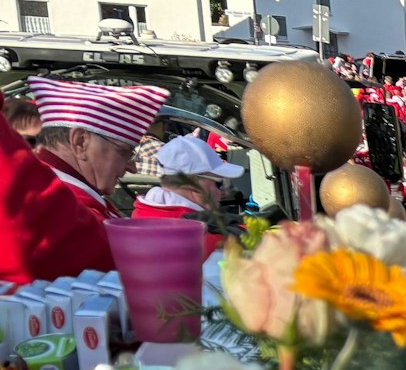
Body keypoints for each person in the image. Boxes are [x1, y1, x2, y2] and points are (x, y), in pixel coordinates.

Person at [0, 79, 169, 283]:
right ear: (80, 142)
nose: (132, 167)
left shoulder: (71, 195)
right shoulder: (65, 202)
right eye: (124, 152)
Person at [131, 134, 244, 257]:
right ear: (191, 182)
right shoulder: (196, 234)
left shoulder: (142, 212)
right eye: (219, 183)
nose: (225, 193)